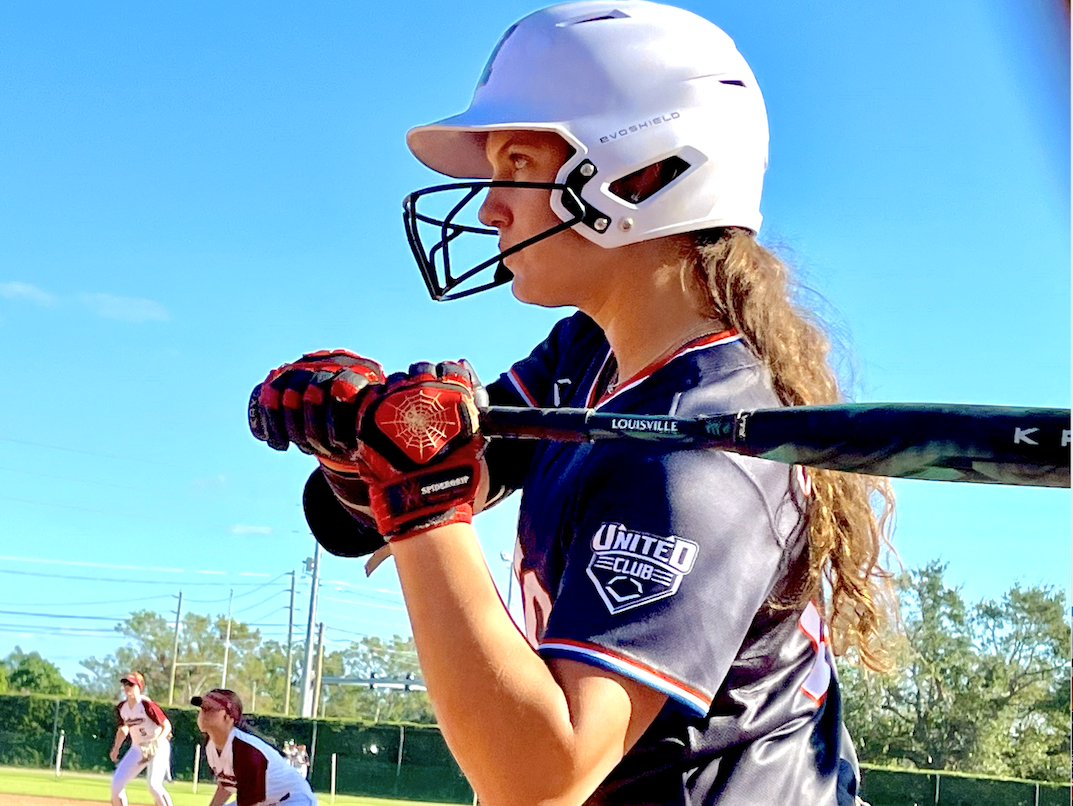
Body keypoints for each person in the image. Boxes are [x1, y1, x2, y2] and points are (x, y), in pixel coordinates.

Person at [249, 2, 895, 804]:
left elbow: (541, 773)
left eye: (516, 165)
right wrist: (363, 457)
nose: (488, 204)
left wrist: (420, 503)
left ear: (643, 173)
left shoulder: (699, 459)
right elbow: (426, 484)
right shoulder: (589, 356)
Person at [192, 688, 317, 806]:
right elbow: (225, 785)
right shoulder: (211, 745)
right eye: (202, 709)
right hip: (264, 801)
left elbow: (250, 803)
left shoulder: (247, 751)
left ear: (228, 717)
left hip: (293, 799)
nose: (203, 714)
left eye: (210, 710)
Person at [109, 671, 175, 806]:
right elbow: (123, 729)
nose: (127, 687)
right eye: (125, 683)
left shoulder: (146, 705)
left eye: (131, 684)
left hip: (157, 746)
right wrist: (116, 748)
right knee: (116, 785)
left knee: (154, 786)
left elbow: (167, 726)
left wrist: (157, 741)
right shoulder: (122, 708)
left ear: (139, 687)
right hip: (138, 748)